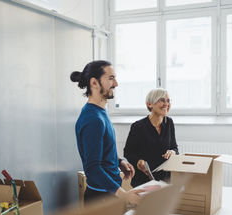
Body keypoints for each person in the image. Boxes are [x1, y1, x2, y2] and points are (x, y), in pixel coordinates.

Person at [71, 60, 144, 205]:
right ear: (94, 83)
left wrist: (119, 162)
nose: (116, 84)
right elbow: (92, 168)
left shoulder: (99, 113)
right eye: (111, 78)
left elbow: (103, 151)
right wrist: (124, 195)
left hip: (108, 194)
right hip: (100, 199)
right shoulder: (92, 119)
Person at [124, 88, 179, 188]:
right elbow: (128, 152)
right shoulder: (138, 127)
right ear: (150, 104)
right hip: (143, 181)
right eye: (162, 100)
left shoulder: (169, 123)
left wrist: (172, 152)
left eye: (168, 100)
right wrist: (138, 162)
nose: (166, 104)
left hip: (164, 180)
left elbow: (175, 147)